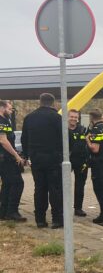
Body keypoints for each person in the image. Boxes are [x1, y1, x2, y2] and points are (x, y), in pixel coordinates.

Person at [21, 93, 63, 229]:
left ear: (40, 102)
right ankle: (57, 220)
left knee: (39, 189)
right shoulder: (57, 117)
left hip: (36, 158)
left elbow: (24, 139)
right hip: (53, 158)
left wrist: (26, 156)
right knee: (55, 189)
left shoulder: (29, 118)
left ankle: (40, 220)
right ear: (53, 103)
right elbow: (63, 138)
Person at [0, 100, 26, 222]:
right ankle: (12, 212)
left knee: (7, 184)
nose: (11, 111)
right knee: (17, 183)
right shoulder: (2, 121)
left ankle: (3, 212)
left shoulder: (5, 121)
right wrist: (16, 156)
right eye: (9, 109)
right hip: (6, 159)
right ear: (2, 108)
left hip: (4, 158)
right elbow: (3, 141)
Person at [68, 110, 89, 217]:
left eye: (76, 117)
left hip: (81, 161)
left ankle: (78, 208)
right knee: (62, 185)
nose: (74, 119)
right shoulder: (62, 130)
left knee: (80, 185)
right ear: (67, 117)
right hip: (67, 161)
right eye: (71, 117)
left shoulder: (83, 130)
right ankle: (62, 206)